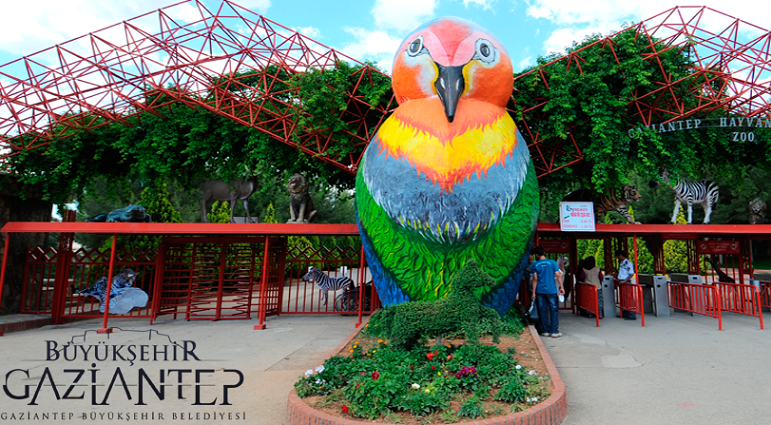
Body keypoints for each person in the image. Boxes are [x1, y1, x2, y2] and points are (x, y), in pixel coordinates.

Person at [531, 246, 565, 338]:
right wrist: (561, 287)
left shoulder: (535, 265)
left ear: (537, 255)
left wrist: (533, 293)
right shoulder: (552, 262)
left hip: (540, 290)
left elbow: (535, 279)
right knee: (553, 310)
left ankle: (545, 331)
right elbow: (558, 275)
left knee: (543, 310)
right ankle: (554, 331)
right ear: (544, 253)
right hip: (551, 290)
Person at [614, 249, 636, 320]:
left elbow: (631, 274)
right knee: (624, 298)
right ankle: (625, 313)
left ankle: (632, 314)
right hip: (622, 282)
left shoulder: (628, 263)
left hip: (626, 282)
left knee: (628, 298)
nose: (618, 258)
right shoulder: (622, 263)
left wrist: (625, 280)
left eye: (618, 256)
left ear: (620, 255)